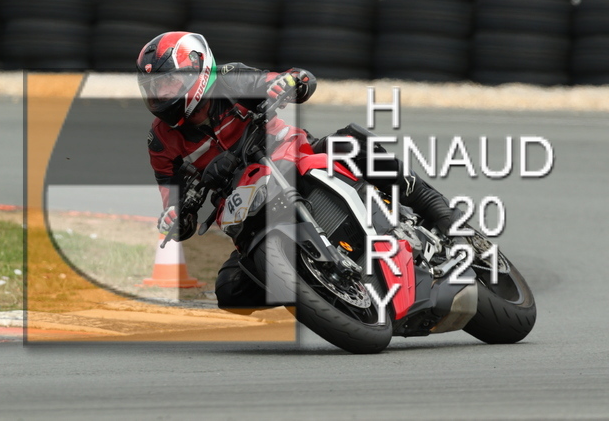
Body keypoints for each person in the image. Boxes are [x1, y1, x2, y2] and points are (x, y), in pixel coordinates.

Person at [136, 31, 459, 310]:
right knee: (230, 291)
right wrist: (176, 218)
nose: (161, 94)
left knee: (350, 143)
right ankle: (320, 294)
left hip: (290, 154)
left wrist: (289, 82)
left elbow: (292, 80)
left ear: (198, 68)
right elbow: (173, 202)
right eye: (154, 86)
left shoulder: (230, 79)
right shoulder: (161, 140)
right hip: (240, 204)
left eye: (169, 82)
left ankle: (439, 211)